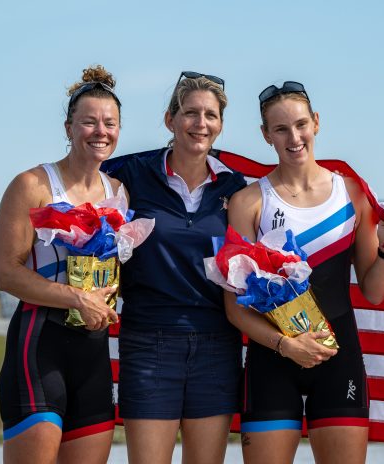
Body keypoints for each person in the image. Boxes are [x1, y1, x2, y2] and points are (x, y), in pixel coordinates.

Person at [224, 81, 384, 464]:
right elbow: (235, 309)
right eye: (281, 128)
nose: (294, 137)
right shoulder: (248, 202)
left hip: (341, 359)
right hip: (272, 360)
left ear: (316, 123)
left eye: (301, 124)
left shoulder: (351, 193)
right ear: (265, 134)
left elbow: (373, 291)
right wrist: (287, 346)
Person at [101, 72, 247, 464]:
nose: (201, 124)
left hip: (217, 344)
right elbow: (78, 186)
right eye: (190, 113)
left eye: (211, 116)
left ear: (220, 125)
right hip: (148, 342)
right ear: (170, 120)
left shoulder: (235, 187)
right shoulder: (128, 174)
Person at [0, 65, 123, 464]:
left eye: (110, 123)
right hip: (39, 345)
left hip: (94, 351)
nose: (100, 131)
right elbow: (7, 272)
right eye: (88, 122)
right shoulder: (32, 185)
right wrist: (75, 298)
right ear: (68, 128)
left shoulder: (117, 191)